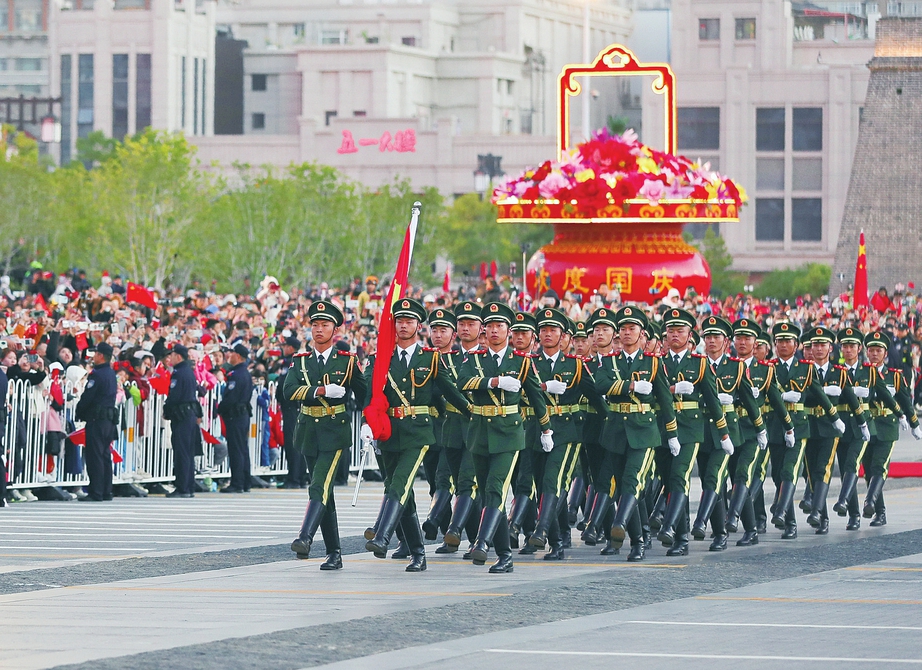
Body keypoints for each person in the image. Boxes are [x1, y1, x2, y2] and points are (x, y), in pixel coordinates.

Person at [362, 298, 470, 572]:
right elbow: (368, 394)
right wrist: (367, 421)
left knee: (399, 483)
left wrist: (473, 412)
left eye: (409, 321)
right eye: (399, 321)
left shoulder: (430, 358)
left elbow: (449, 391)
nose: (403, 325)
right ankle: (418, 552)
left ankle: (383, 536)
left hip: (419, 432)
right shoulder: (380, 358)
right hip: (389, 431)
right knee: (402, 492)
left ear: (418, 326)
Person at [457, 301, 551, 573]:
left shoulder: (521, 361)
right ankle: (505, 555)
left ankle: (482, 543)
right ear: (484, 331)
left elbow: (536, 397)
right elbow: (463, 382)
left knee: (495, 488)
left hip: (509, 433)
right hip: (480, 432)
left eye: (500, 326)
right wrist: (494, 382)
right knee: (488, 495)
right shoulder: (474, 359)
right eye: (491, 326)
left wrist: (546, 429)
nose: (495, 330)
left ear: (508, 331)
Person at [592, 306, 679, 560]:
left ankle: (619, 523)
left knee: (633, 480)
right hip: (616, 430)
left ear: (642, 334)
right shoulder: (610, 361)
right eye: (624, 329)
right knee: (625, 488)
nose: (627, 333)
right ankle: (638, 540)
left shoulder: (653, 362)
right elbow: (600, 385)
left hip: (644, 431)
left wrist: (671, 433)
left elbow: (664, 399)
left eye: (632, 329)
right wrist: (630, 385)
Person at [288, 300, 367, 570]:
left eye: (325, 325)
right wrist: (320, 392)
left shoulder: (347, 362)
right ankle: (334, 552)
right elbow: (288, 391)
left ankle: (305, 537)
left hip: (335, 431)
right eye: (315, 325)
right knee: (325, 493)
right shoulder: (300, 362)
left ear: (335, 331)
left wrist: (369, 421)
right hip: (308, 430)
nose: (319, 329)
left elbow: (365, 393)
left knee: (318, 485)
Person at [654, 308, 727, 556]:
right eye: (671, 331)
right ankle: (682, 537)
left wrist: (724, 433)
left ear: (689, 334)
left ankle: (670, 527)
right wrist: (672, 389)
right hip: (663, 428)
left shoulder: (700, 363)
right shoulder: (658, 363)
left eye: (680, 331)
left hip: (690, 428)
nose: (675, 335)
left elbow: (713, 400)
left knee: (679, 477)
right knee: (669, 481)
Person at [802, 326, 869, 534]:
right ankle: (821, 513)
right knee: (811, 472)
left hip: (831, 428)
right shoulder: (803, 370)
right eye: (815, 345)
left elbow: (850, 398)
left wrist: (862, 423)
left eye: (823, 345)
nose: (819, 349)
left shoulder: (838, 372)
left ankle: (818, 515)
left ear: (830, 348)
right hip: (808, 426)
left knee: (824, 469)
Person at [860, 330, 922, 526]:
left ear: (885, 354)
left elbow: (905, 401)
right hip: (868, 425)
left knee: (880, 465)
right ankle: (880, 512)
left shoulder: (894, 376)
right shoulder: (861, 374)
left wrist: (914, 424)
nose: (875, 354)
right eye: (871, 350)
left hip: (887, 425)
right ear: (867, 352)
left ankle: (870, 501)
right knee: (869, 470)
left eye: (879, 350)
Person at [74, 343, 118, 502]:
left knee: (95, 456)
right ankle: (106, 490)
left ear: (101, 356)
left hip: (97, 419)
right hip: (108, 420)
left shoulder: (98, 374)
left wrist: (79, 411)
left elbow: (88, 397)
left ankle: (96, 491)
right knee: (105, 455)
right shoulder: (111, 373)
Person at [163, 344, 200, 498]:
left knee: (182, 452)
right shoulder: (189, 372)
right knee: (188, 452)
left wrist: (166, 409)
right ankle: (188, 486)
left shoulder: (179, 373)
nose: (170, 358)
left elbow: (175, 395)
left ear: (178, 356)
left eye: (172, 355)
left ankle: (182, 487)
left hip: (182, 415)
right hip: (189, 414)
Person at [218, 343, 254, 494]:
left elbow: (231, 398)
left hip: (236, 415)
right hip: (241, 415)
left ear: (238, 356)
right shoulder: (243, 373)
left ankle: (237, 482)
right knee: (242, 448)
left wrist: (220, 408)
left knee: (236, 449)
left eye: (232, 353)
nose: (229, 356)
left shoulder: (237, 374)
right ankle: (245, 481)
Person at [277, 336, 308, 489]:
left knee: (293, 444)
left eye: (285, 346)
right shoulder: (297, 361)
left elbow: (286, 385)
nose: (283, 348)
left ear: (290, 347)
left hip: (291, 406)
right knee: (298, 443)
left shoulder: (291, 362)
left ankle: (294, 478)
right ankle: (300, 477)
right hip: (294, 406)